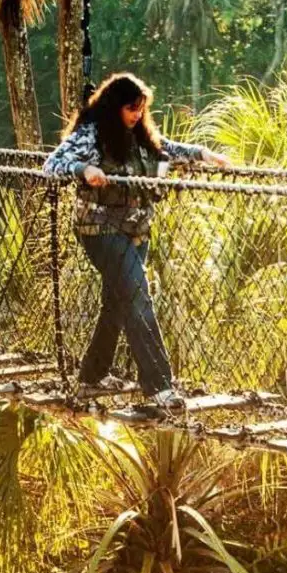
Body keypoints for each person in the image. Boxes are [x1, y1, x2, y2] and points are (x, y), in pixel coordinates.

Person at [43, 71, 229, 407]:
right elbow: (53, 163)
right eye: (132, 108)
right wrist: (83, 170)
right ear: (115, 106)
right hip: (100, 230)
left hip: (137, 232)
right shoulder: (92, 134)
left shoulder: (141, 136)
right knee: (138, 295)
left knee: (117, 301)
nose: (137, 115)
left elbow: (168, 149)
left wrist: (204, 154)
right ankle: (159, 386)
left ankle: (92, 377)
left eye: (141, 109)